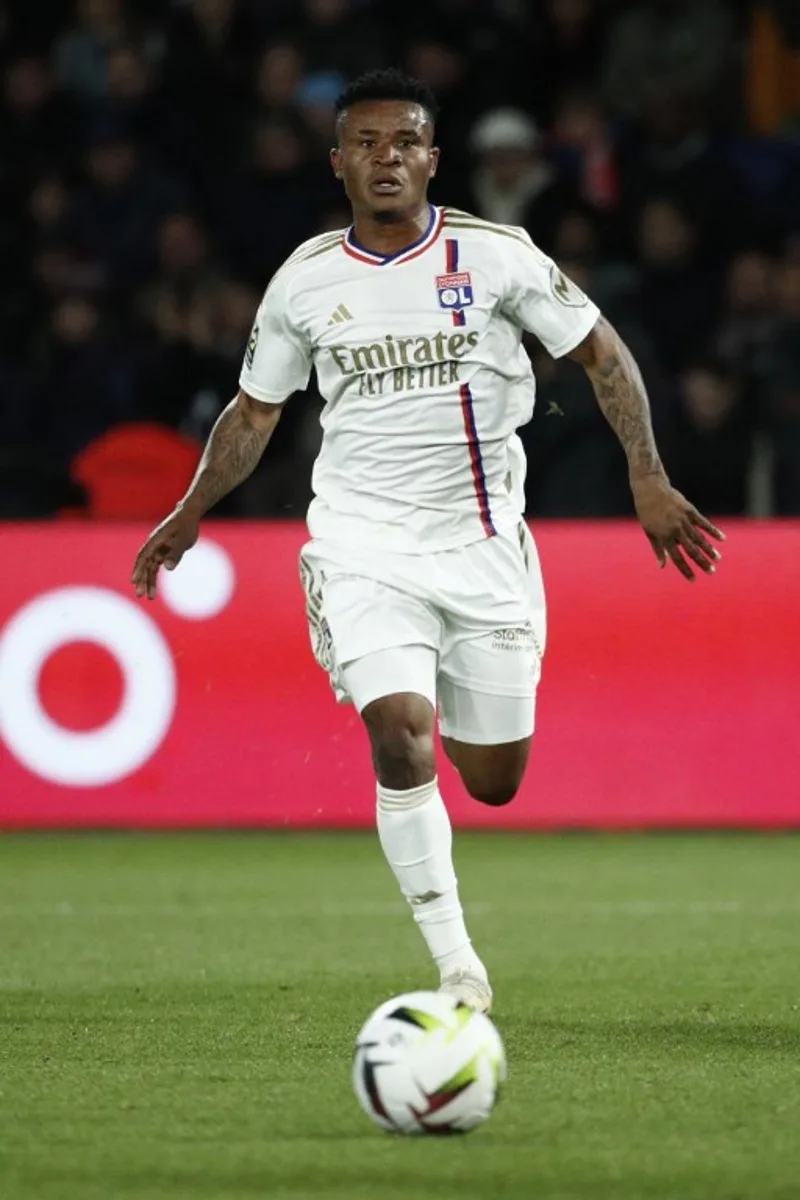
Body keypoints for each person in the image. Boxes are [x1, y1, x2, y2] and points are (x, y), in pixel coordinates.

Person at [132, 70, 724, 1013]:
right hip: (362, 545)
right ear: (337, 164)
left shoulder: (499, 256)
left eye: (404, 141)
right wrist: (191, 507)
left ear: (433, 159)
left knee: (491, 782)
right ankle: (459, 966)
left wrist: (647, 474)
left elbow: (602, 353)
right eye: (365, 143)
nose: (386, 158)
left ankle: (457, 679)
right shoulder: (305, 280)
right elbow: (253, 414)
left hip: (482, 547)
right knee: (400, 735)